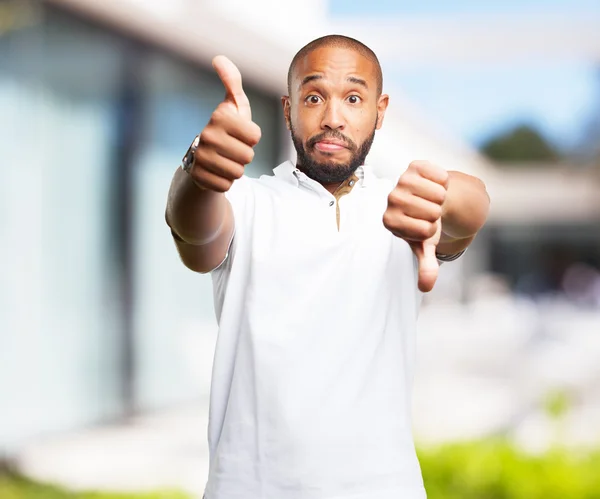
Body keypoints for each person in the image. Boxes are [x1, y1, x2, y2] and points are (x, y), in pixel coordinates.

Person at [166, 35, 490, 499]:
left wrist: (448, 195)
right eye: (314, 97)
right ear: (287, 108)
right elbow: (193, 233)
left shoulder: (404, 204)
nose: (333, 118)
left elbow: (469, 209)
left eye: (353, 98)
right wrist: (198, 170)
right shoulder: (246, 201)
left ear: (380, 111)